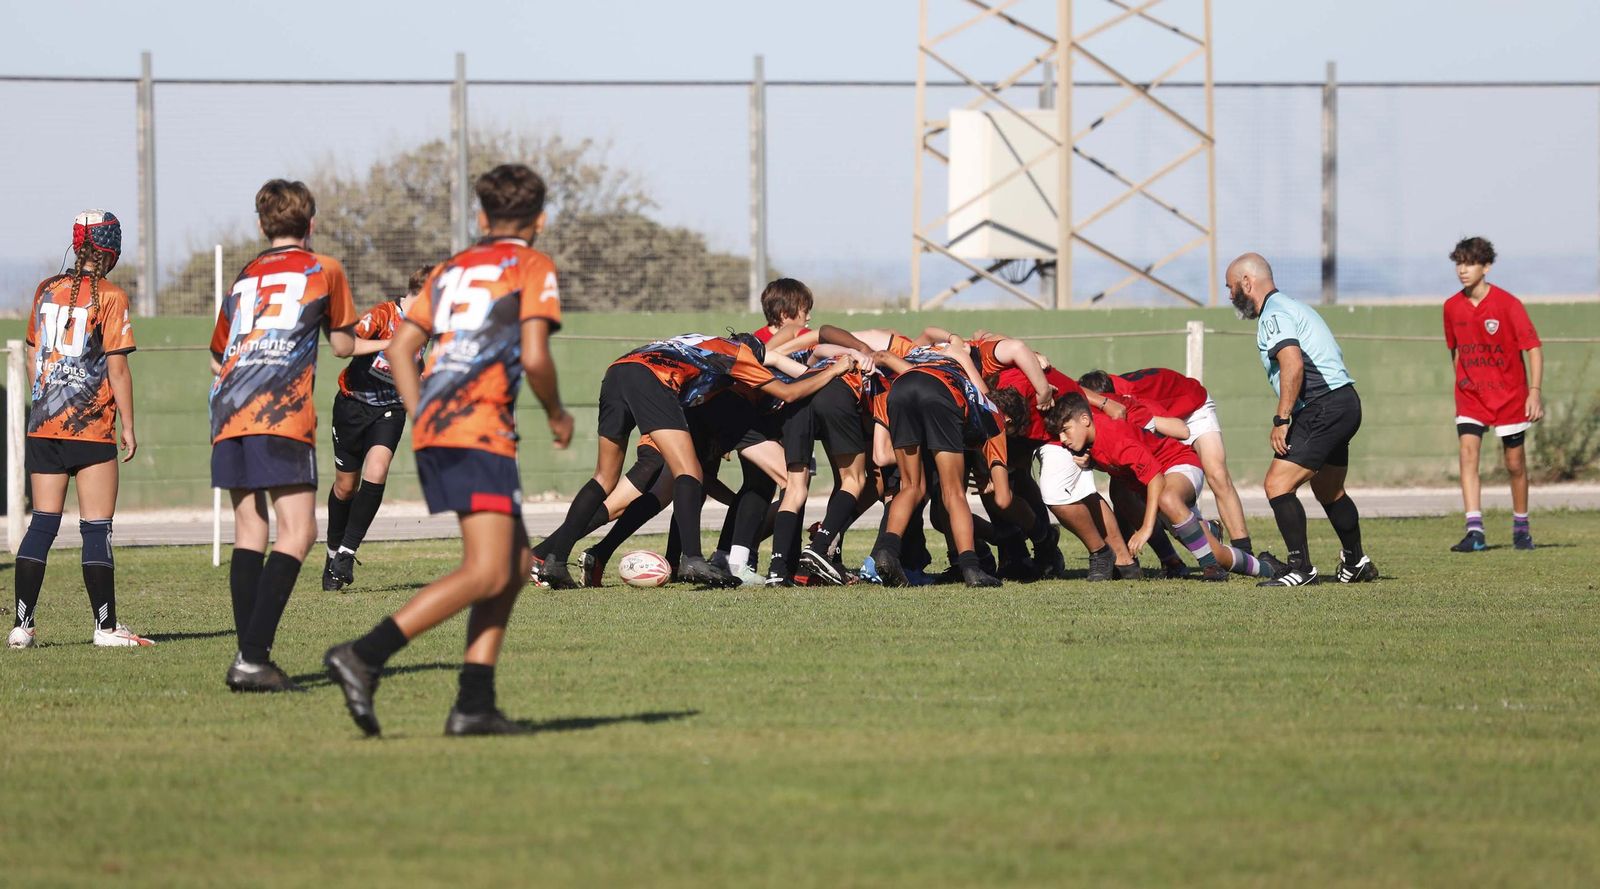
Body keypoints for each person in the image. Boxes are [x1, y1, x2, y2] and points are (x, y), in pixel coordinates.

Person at [325, 163, 572, 737]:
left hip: (448, 424)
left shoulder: (453, 269)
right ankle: (364, 655)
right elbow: (535, 356)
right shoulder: (531, 266)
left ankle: (474, 704)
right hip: (477, 426)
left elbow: (406, 346)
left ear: (482, 217)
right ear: (539, 221)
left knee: (510, 568)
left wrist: (424, 410)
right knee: (487, 568)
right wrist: (557, 413)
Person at [534, 333, 850, 588]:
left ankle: (553, 559)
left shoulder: (699, 344)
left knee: (607, 478)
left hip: (618, 371)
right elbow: (789, 392)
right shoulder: (738, 355)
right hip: (654, 382)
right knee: (688, 473)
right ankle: (693, 559)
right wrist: (834, 370)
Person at [210, 180, 356, 690]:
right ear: (311, 224)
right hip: (279, 410)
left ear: (260, 225)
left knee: (249, 530)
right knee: (299, 531)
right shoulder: (325, 269)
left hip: (228, 409)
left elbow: (217, 353)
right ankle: (252, 659)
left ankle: (251, 657)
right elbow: (340, 345)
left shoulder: (245, 276)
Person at [9, 210, 150, 650]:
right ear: (110, 251)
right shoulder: (110, 296)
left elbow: (34, 357)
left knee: (42, 526)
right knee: (96, 528)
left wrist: (47, 399)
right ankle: (105, 628)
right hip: (89, 429)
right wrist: (128, 424)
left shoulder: (44, 290)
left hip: (44, 426)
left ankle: (22, 627)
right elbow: (118, 369)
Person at [1225, 252, 1376, 587]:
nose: (1230, 295)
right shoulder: (1295, 306)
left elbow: (1292, 364)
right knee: (1329, 488)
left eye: (1231, 287)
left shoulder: (1272, 315)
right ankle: (1356, 562)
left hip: (1323, 406)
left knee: (1277, 485)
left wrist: (1282, 419)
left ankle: (1300, 568)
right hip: (1346, 402)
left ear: (1247, 283)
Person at [1044, 393, 1281, 582]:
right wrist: (1091, 461)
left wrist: (1147, 528)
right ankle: (1268, 567)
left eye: (1066, 430)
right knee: (1216, 550)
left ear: (1085, 419)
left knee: (1167, 498)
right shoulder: (1092, 440)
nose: (1063, 439)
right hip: (1162, 482)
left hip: (1179, 465)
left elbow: (1155, 477)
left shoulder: (1115, 437)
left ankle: (1210, 567)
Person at [322, 263, 432, 590]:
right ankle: (331, 554)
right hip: (352, 405)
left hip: (390, 408)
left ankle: (346, 552)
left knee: (378, 468)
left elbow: (421, 362)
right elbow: (346, 345)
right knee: (345, 487)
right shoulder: (384, 315)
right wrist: (387, 345)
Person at [1077, 367, 1253, 555]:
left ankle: (1244, 549)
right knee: (1125, 491)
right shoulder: (1101, 393)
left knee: (1216, 473)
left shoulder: (1125, 401)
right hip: (1163, 417)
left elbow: (1179, 429)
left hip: (1193, 409)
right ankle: (1181, 549)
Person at [1443, 236, 1543, 552]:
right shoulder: (1451, 307)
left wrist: (1534, 393)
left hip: (1510, 396)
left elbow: (1534, 349)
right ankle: (1475, 532)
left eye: (1470, 263)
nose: (1463, 270)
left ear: (1486, 266)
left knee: (1514, 463)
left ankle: (1521, 527)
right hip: (1471, 397)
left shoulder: (1508, 304)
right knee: (1468, 454)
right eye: (1459, 263)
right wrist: (1461, 383)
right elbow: (1455, 351)